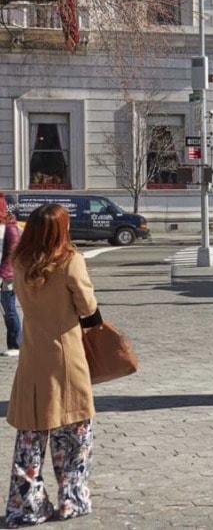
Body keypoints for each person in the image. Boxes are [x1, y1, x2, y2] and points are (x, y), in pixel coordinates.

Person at [5, 202, 101, 526]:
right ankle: (72, 499)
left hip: (33, 355)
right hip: (65, 356)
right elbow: (87, 306)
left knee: (30, 437)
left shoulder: (20, 261)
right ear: (61, 230)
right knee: (74, 434)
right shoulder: (70, 260)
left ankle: (26, 505)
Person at [0, 197, 21, 357]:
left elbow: (9, 255)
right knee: (8, 309)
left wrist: (2, 275)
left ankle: (16, 344)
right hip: (6, 275)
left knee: (9, 309)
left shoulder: (9, 228)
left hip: (6, 277)